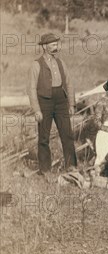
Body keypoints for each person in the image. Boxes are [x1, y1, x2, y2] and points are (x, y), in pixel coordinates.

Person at [27, 33, 77, 175]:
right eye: (53, 45)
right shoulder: (36, 65)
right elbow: (31, 89)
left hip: (61, 102)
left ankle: (71, 167)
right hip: (44, 103)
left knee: (67, 134)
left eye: (57, 44)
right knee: (44, 138)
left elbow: (69, 83)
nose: (56, 47)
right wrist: (36, 109)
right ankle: (45, 169)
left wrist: (71, 104)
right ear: (44, 46)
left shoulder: (61, 63)